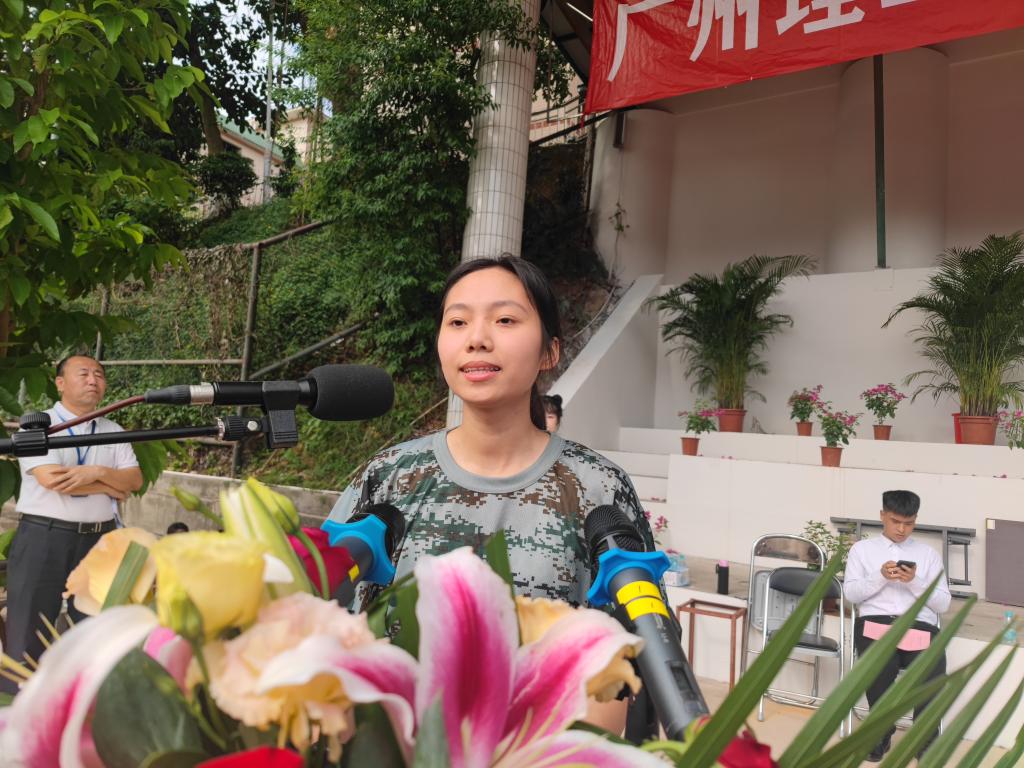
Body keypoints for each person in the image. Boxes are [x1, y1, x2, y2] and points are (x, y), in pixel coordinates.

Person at [323, 256, 661, 735]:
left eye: (504, 320)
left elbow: (625, 668)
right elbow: (327, 627)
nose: (477, 338)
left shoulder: (598, 488)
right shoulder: (389, 477)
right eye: (458, 322)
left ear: (549, 352)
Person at [3, 355, 142, 692]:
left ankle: (89, 707)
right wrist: (112, 485)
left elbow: (135, 480)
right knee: (27, 636)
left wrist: (96, 472)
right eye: (84, 373)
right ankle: (18, 711)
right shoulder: (37, 426)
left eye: (99, 374)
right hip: (44, 538)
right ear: (60, 383)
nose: (93, 380)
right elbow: (52, 480)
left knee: (97, 633)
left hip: (99, 542)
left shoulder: (112, 430)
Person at [843, 490, 951, 762]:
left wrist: (915, 582)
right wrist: (880, 577)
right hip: (876, 623)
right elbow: (851, 594)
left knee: (931, 669)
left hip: (918, 626)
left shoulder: (928, 555)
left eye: (909, 523)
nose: (902, 529)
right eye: (895, 521)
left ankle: (925, 738)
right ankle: (880, 733)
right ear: (882, 516)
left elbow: (943, 604)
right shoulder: (862, 550)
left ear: (915, 520)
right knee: (878, 668)